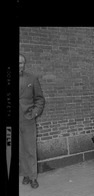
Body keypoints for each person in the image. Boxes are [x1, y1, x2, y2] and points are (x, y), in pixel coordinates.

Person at [19, 54, 45, 189]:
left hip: (27, 120)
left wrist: (34, 113)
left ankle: (33, 177)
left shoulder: (32, 78)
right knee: (19, 149)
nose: (19, 65)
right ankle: (25, 174)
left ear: (24, 64)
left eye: (21, 63)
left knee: (30, 149)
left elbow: (40, 99)